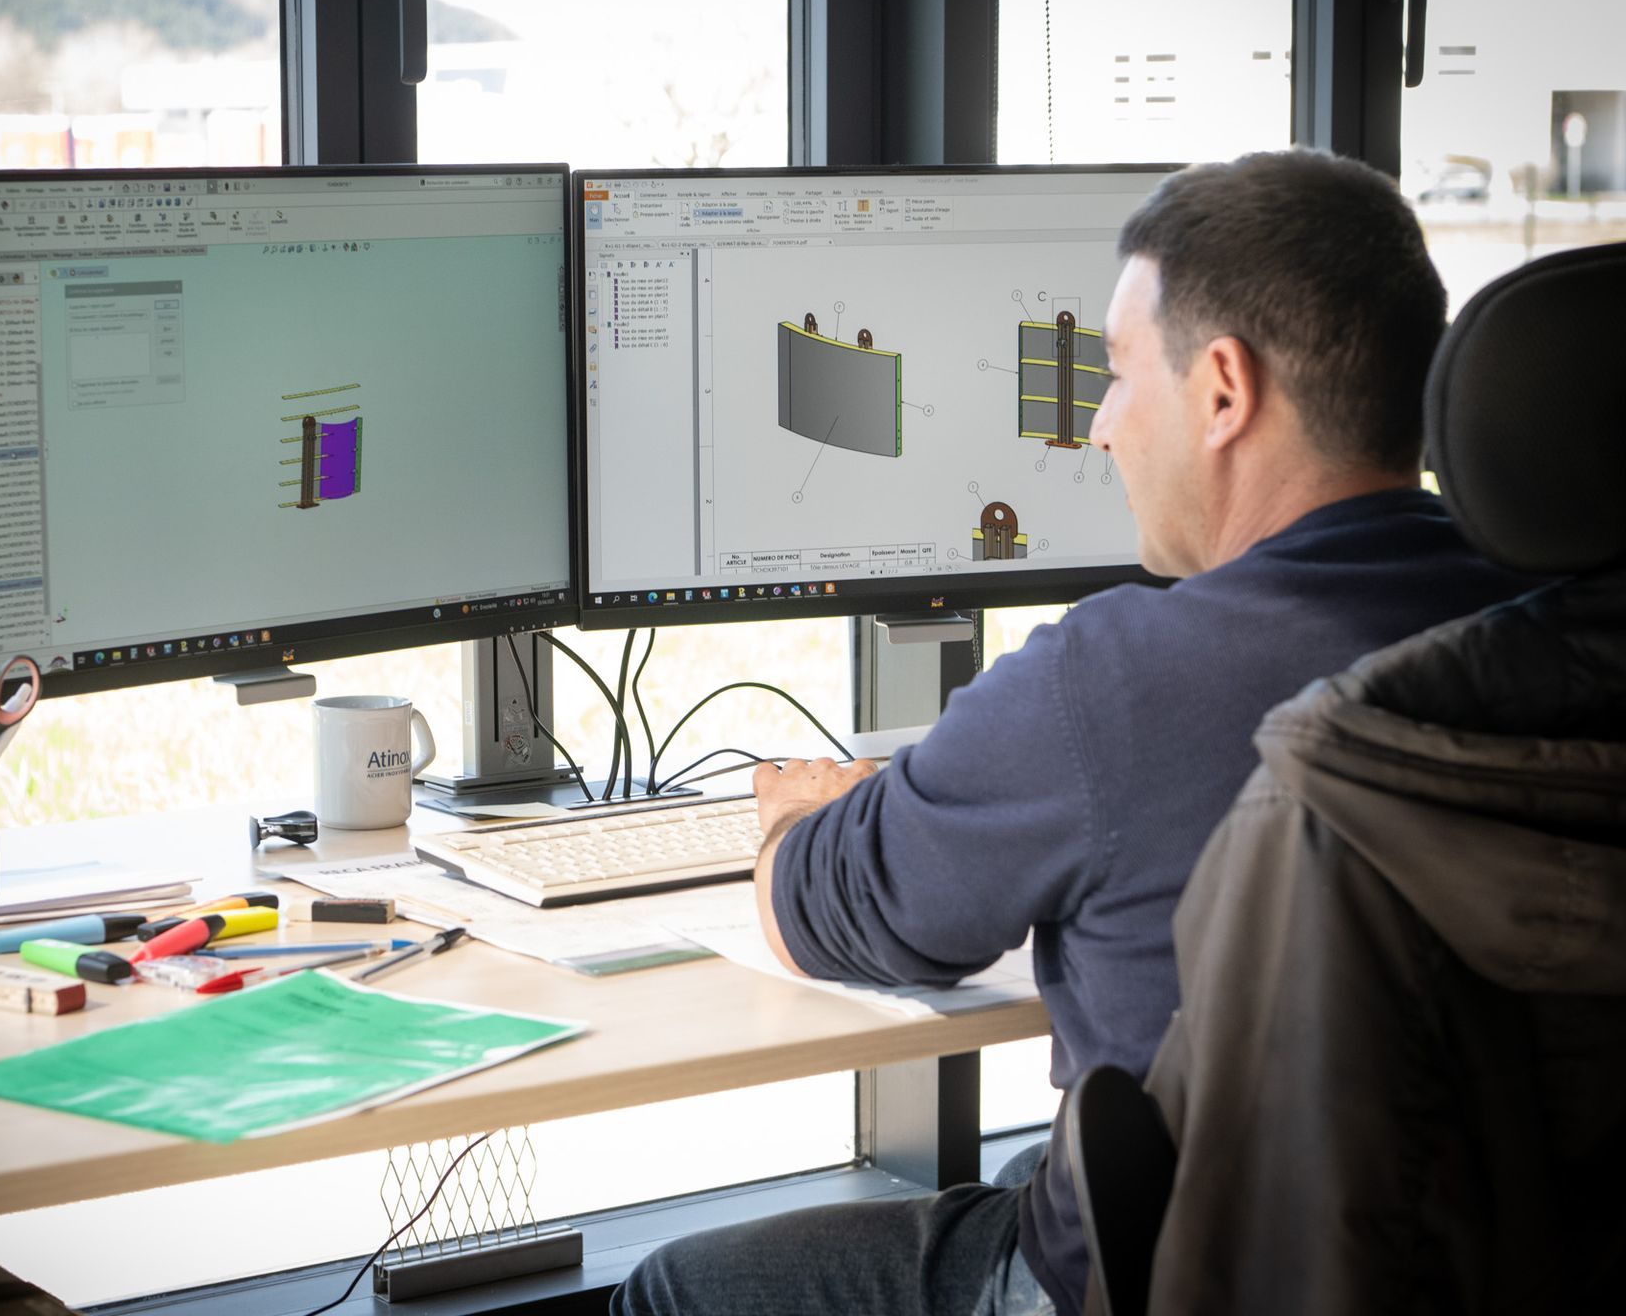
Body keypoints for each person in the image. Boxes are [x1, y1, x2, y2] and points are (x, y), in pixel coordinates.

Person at [610, 148, 1542, 1316]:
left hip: (1172, 1276)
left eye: (1112, 371)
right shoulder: (1558, 637)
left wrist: (800, 818)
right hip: (1503, 1257)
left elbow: (832, 915)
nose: (1098, 426)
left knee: (672, 1289)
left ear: (1221, 390)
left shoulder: (1114, 679)